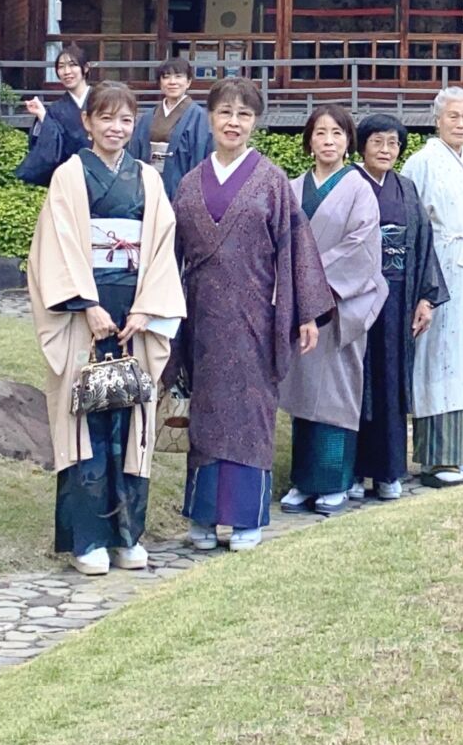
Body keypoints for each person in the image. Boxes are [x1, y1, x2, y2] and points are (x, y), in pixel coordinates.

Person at [26, 82, 185, 576]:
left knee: (131, 419)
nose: (116, 128)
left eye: (125, 120)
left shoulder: (148, 179)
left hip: (134, 311)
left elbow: (162, 247)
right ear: (88, 122)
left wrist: (146, 309)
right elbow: (57, 245)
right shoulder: (70, 176)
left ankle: (127, 535)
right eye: (106, 118)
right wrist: (88, 305)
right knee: (86, 418)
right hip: (86, 314)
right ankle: (88, 540)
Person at [170, 78, 333, 551]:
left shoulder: (271, 180)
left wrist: (304, 313)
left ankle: (245, 517)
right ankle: (203, 517)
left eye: (243, 114)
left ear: (255, 122)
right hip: (202, 316)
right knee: (206, 411)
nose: (233, 122)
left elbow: (295, 245)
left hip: (256, 316)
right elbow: (169, 254)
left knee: (251, 412)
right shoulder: (189, 182)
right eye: (225, 112)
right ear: (209, 118)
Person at [278, 105, 387, 517]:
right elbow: (277, 242)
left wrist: (309, 276)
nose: (328, 141)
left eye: (337, 133)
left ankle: (334, 483)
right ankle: (302, 481)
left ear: (348, 142)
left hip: (341, 305)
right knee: (303, 389)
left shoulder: (360, 188)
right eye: (320, 133)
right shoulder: (291, 188)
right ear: (309, 141)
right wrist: (297, 284)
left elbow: (362, 246)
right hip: (299, 306)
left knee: (337, 393)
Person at [400, 87, 463, 485]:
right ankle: (435, 460)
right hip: (439, 271)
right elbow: (411, 221)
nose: (460, 124)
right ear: (437, 119)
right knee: (437, 357)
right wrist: (422, 286)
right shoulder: (422, 162)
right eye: (453, 116)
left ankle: (457, 454)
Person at [351, 113, 448, 501]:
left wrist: (426, 297)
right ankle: (353, 471)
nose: (386, 150)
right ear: (362, 146)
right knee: (356, 383)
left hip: (398, 299)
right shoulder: (349, 183)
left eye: (393, 143)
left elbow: (424, 243)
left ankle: (388, 472)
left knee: (391, 383)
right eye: (377, 142)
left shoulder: (406, 189)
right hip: (356, 299)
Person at [16, 44, 93, 185]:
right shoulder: (55, 110)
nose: (67, 71)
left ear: (86, 67)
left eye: (72, 65)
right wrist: (43, 115)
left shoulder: (101, 100)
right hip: (70, 179)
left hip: (103, 175)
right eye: (61, 67)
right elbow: (51, 148)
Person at [128, 57, 198, 172]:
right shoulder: (148, 117)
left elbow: (199, 155)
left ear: (188, 82)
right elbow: (136, 151)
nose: (172, 82)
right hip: (149, 177)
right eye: (166, 77)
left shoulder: (198, 117)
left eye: (178, 76)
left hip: (182, 177)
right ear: (160, 83)